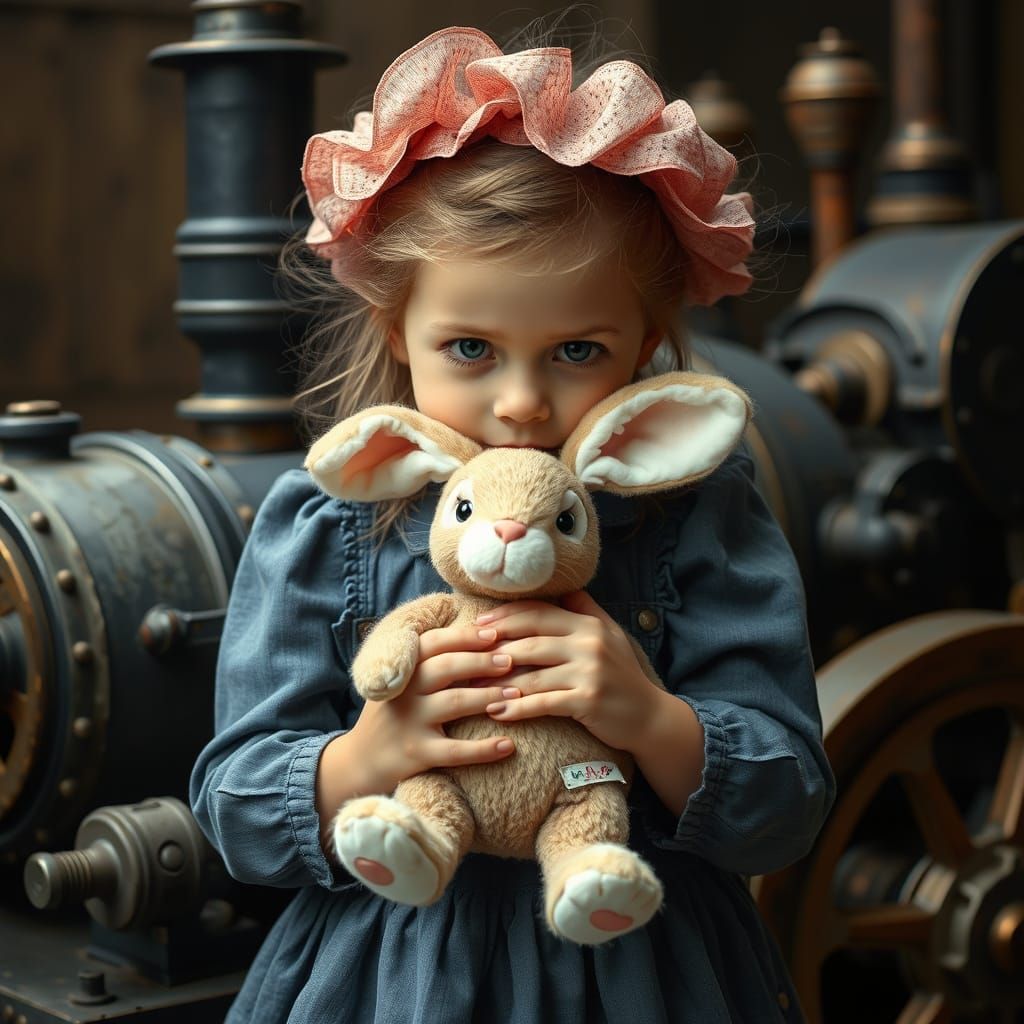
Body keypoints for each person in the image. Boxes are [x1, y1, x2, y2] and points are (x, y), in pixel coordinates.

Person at [190, 24, 835, 1024]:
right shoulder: (325, 521)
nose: (524, 403)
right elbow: (232, 803)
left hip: (641, 966)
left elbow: (787, 804)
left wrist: (650, 718)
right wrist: (365, 757)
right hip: (387, 973)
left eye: (576, 348)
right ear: (395, 331)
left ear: (647, 346)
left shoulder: (702, 515)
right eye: (470, 348)